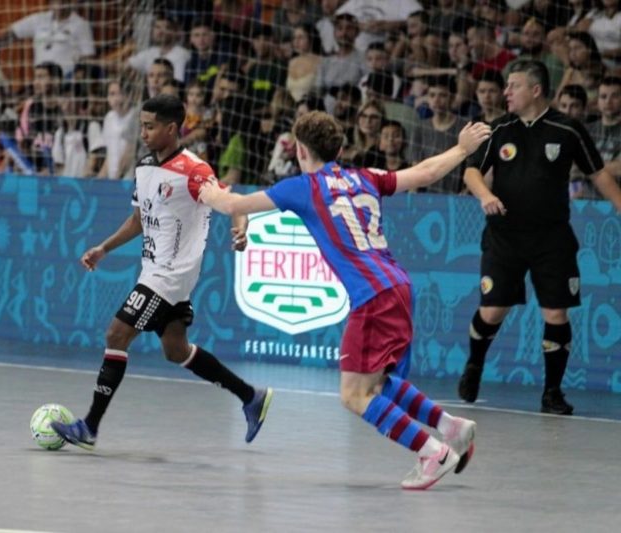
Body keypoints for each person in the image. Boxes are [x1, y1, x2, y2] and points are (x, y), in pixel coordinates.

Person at [199, 110, 490, 490]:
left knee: (354, 395)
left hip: (373, 297)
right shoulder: (364, 177)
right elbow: (425, 173)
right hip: (399, 287)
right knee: (379, 382)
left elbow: (232, 205)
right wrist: (461, 148)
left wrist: (203, 188)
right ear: (338, 148)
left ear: (300, 150)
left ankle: (431, 452)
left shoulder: (302, 187)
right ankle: (452, 427)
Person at [51, 94, 273, 451]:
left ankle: (89, 426)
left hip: (172, 275)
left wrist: (241, 227)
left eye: (150, 127)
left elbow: (232, 201)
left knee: (116, 334)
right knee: (175, 348)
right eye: (142, 125)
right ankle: (251, 396)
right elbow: (139, 220)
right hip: (153, 271)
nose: (143, 132)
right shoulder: (144, 166)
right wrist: (104, 248)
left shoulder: (195, 171)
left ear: (172, 129)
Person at [457, 60, 621, 414]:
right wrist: (486, 195)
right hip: (504, 237)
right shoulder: (496, 129)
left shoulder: (568, 129)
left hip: (552, 239)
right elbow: (471, 172)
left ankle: (552, 392)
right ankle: (474, 365)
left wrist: (620, 203)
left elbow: (598, 173)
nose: (506, 93)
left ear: (535, 90)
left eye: (512, 86)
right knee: (492, 311)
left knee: (556, 313)